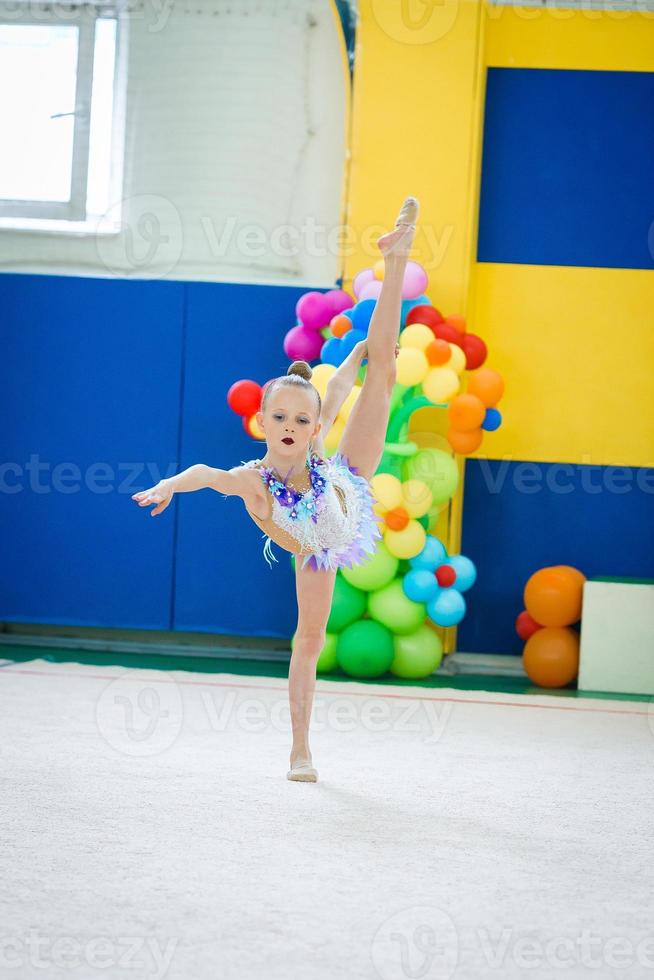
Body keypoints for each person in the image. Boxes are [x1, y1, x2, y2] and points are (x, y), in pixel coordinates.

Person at [131, 196, 420, 783]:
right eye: (280, 419)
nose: (290, 428)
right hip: (313, 550)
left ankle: (398, 257)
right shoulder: (254, 482)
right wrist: (168, 484)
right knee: (309, 639)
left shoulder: (318, 442)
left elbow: (337, 389)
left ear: (313, 428)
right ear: (264, 423)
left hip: (346, 486)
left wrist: (363, 356)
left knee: (384, 371)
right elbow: (207, 474)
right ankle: (300, 750)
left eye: (301, 421)